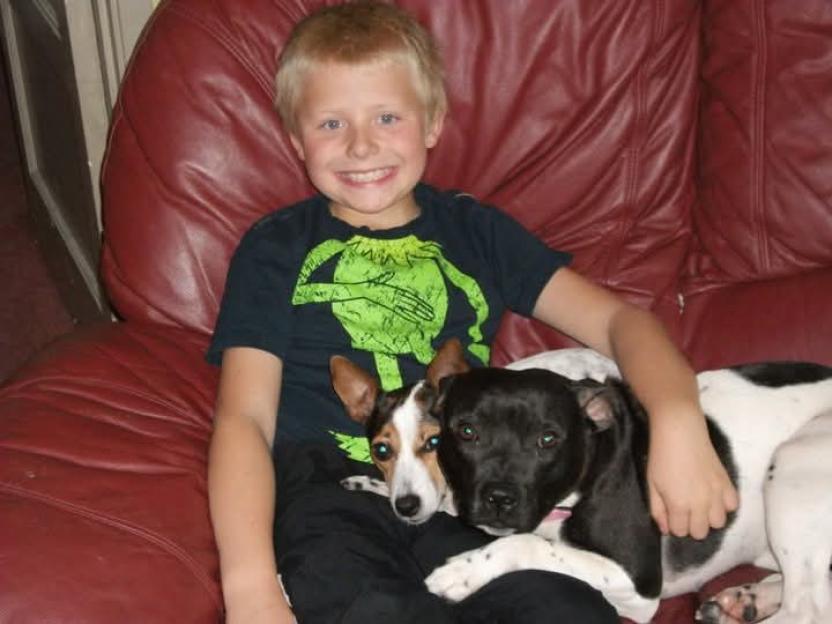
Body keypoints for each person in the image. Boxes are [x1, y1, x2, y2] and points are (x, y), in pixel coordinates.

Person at [206, 2, 739, 623]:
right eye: (330, 124)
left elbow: (623, 324)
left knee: (562, 609)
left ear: (433, 122)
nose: (360, 145)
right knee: (369, 608)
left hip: (468, 490)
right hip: (331, 492)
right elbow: (244, 419)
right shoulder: (276, 248)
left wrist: (676, 418)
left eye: (387, 117)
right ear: (296, 140)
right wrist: (249, 585)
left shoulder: (476, 233)